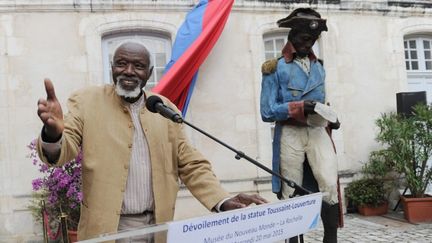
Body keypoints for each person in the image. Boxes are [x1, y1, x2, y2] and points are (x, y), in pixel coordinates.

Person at [36, 41, 267, 242]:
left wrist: (222, 200)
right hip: (106, 231)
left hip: (158, 229)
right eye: (121, 64)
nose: (128, 71)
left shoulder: (164, 109)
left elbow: (191, 163)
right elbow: (64, 150)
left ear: (149, 72)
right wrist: (53, 133)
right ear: (111, 67)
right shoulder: (86, 101)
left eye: (138, 66)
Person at [260, 8, 339, 243]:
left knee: (329, 183)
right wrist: (297, 107)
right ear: (292, 37)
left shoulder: (319, 66)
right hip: (291, 132)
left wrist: (331, 117)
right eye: (305, 38)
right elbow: (266, 111)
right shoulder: (274, 68)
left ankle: (331, 239)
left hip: (316, 131)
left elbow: (323, 102)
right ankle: (292, 239)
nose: (309, 43)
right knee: (291, 188)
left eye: (313, 39)